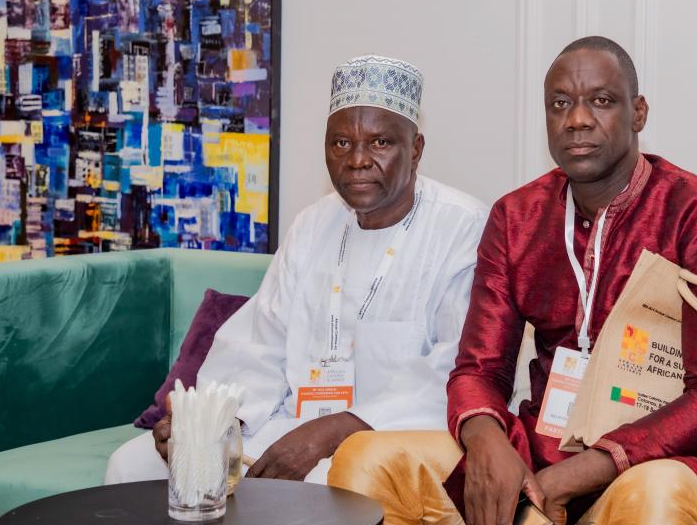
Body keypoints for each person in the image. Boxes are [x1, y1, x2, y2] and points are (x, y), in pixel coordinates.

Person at [328, 36, 697, 525]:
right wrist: (488, 443)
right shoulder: (518, 216)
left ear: (638, 113)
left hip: (648, 464)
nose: (578, 119)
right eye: (560, 103)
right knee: (365, 459)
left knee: (658, 498)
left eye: (601, 101)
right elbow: (478, 369)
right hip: (538, 454)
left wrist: (558, 484)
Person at [105, 54, 489, 485]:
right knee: (133, 463)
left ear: (415, 149)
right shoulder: (313, 224)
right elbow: (258, 341)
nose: (357, 160)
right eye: (340, 143)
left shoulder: (463, 227)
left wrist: (330, 431)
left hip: (388, 437)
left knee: (321, 487)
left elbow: (457, 370)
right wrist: (213, 419)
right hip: (292, 424)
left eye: (380, 142)